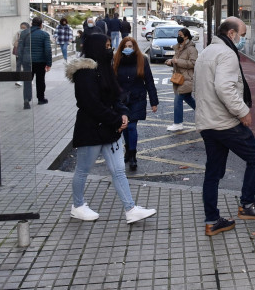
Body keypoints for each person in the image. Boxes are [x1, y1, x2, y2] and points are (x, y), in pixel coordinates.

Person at [193, 16, 255, 236]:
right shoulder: (226, 54)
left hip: (208, 123)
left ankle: (212, 221)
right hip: (224, 122)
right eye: (243, 35)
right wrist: (243, 111)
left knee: (213, 173)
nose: (243, 40)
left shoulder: (207, 52)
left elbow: (197, 88)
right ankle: (248, 205)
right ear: (231, 34)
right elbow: (224, 88)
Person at [65, 33, 157, 224]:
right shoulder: (85, 73)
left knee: (118, 170)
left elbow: (117, 95)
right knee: (82, 170)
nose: (110, 49)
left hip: (110, 130)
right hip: (91, 129)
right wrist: (117, 119)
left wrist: (123, 113)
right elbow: (91, 104)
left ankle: (130, 209)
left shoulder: (105, 68)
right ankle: (78, 206)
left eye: (110, 45)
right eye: (106, 46)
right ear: (96, 48)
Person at [114, 37, 159, 170]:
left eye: (131, 46)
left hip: (137, 98)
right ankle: (128, 150)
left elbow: (149, 81)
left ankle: (133, 155)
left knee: (132, 126)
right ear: (122, 48)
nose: (128, 49)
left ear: (135, 47)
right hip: (122, 100)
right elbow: (112, 81)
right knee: (125, 127)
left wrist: (154, 101)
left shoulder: (142, 60)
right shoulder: (116, 60)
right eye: (126, 46)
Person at [165, 28, 198, 132]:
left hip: (188, 78)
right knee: (188, 98)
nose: (178, 36)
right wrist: (171, 62)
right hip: (179, 78)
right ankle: (206, 114)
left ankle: (178, 123)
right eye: (178, 35)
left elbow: (194, 63)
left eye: (180, 35)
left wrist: (177, 61)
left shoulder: (191, 49)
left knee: (178, 97)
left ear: (186, 36)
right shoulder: (178, 48)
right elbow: (177, 62)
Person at [18, 17, 52, 108]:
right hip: (40, 61)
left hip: (27, 61)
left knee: (27, 81)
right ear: (41, 25)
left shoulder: (24, 33)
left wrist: (20, 60)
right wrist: (49, 63)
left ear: (32, 24)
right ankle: (41, 99)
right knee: (40, 80)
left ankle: (26, 99)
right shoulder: (44, 34)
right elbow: (47, 50)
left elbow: (20, 48)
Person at [13, 22, 29, 87]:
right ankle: (18, 80)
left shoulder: (30, 34)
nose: (22, 29)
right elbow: (13, 43)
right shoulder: (18, 34)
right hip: (19, 53)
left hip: (27, 53)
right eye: (21, 28)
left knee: (27, 67)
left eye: (24, 28)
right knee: (18, 66)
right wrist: (18, 39)